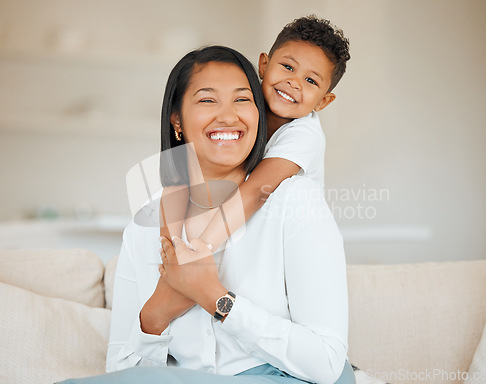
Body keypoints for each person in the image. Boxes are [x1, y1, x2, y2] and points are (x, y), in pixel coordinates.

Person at [59, 46, 355, 383]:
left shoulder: (296, 199)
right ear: (177, 120)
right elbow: (122, 371)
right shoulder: (145, 226)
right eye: (207, 100)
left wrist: (216, 297)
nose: (228, 116)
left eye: (242, 100)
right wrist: (157, 312)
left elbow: (327, 363)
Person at [160, 15, 351, 259]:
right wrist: (171, 248)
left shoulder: (305, 134)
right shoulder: (246, 109)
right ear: (263, 65)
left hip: (292, 239)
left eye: (311, 80)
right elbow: (182, 178)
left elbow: (256, 190)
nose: (294, 82)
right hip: (244, 225)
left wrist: (202, 248)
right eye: (288, 67)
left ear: (323, 102)